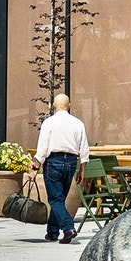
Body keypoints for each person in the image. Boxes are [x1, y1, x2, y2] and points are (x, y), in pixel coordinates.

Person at [33, 93, 89, 245]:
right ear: (69, 105)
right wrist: (82, 170)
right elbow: (84, 149)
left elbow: (42, 148)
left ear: (53, 106)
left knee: (55, 199)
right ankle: (52, 232)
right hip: (71, 162)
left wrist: (35, 167)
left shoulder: (49, 122)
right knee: (59, 199)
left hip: (53, 162)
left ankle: (68, 228)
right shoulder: (78, 123)